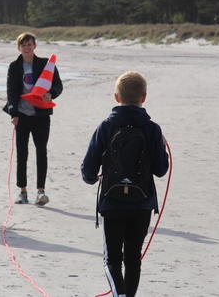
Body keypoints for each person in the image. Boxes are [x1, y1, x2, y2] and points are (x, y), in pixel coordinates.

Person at [81, 71, 169, 297]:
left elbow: (88, 168)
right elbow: (161, 170)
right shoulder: (152, 129)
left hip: (112, 200)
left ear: (116, 97)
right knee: (133, 257)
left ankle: (119, 294)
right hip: (142, 202)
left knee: (112, 258)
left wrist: (92, 178)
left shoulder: (106, 126)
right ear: (144, 97)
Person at [4, 32, 63, 206]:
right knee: (22, 154)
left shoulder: (45, 64)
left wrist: (51, 93)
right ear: (19, 48)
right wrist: (13, 113)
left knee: (41, 151)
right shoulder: (14, 66)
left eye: (30, 45)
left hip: (41, 116)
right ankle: (22, 191)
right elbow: (11, 91)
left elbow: (58, 85)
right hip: (22, 116)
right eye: (24, 45)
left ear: (34, 46)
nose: (27, 48)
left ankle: (40, 191)